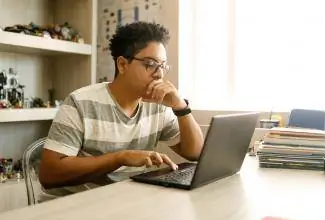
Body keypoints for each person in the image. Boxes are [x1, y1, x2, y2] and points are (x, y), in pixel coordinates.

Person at [39, 21, 204, 196]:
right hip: (76, 207)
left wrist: (181, 107)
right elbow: (49, 175)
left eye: (162, 65)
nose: (159, 74)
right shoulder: (80, 102)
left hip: (126, 202)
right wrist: (120, 158)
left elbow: (195, 153)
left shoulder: (158, 107)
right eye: (150, 64)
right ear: (123, 65)